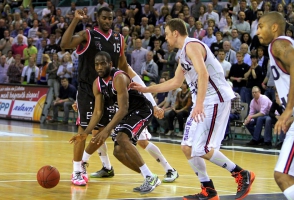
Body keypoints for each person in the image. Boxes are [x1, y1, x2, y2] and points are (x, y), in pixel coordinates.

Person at [130, 18, 255, 200]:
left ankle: (242, 174)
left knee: (201, 148)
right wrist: (146, 89)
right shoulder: (182, 54)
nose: (165, 38)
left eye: (166, 34)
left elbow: (203, 73)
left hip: (214, 99)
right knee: (187, 148)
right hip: (203, 101)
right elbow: (175, 82)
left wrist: (198, 104)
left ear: (175, 33)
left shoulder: (192, 45)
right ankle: (208, 190)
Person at [61, 7, 163, 186]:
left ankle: (87, 162)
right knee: (83, 130)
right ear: (97, 18)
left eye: (110, 18)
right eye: (104, 18)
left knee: (101, 133)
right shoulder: (88, 34)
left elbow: (124, 66)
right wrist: (76, 20)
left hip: (108, 90)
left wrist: (142, 91)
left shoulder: (119, 39)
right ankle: (77, 171)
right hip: (87, 89)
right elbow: (64, 44)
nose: (107, 21)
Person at [70, 51, 161, 193]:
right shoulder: (97, 83)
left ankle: (150, 176)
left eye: (102, 63)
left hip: (141, 109)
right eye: (97, 64)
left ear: (110, 64)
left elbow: (123, 108)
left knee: (122, 138)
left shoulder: (119, 77)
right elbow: (98, 112)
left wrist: (106, 130)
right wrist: (85, 133)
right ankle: (149, 176)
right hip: (126, 114)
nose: (99, 67)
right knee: (118, 152)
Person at [256, 11, 294, 199]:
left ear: (274, 27)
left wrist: (289, 108)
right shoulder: (292, 44)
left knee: (284, 175)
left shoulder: (278, 43)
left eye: (260, 26)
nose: (257, 32)